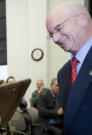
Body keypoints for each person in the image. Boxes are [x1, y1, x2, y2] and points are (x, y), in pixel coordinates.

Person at [46, 2, 92, 135]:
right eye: (51, 34)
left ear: (82, 20)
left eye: (59, 28)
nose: (55, 39)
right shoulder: (64, 73)